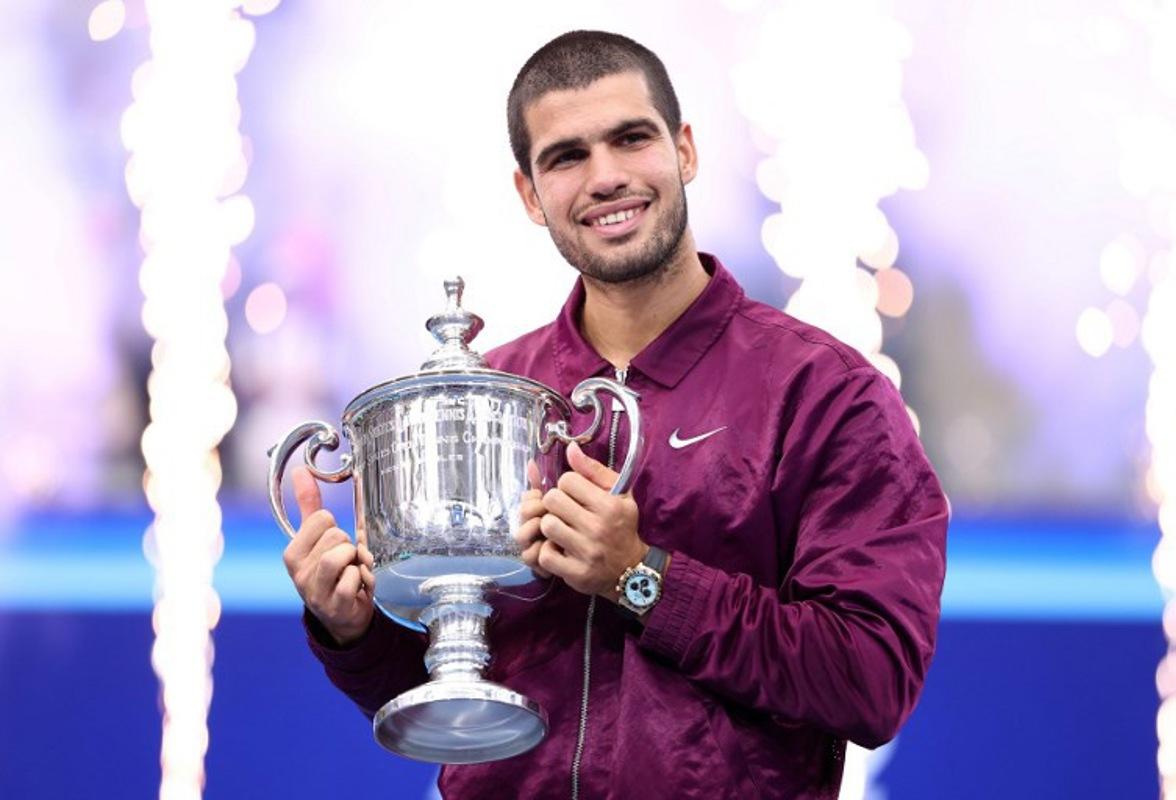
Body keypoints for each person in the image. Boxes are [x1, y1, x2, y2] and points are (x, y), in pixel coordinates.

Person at [283, 30, 948, 799]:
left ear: (685, 151)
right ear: (530, 195)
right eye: (567, 157)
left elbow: (870, 680)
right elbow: (458, 702)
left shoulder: (826, 394)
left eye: (631, 139)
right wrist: (352, 626)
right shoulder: (492, 393)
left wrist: (641, 578)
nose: (606, 177)